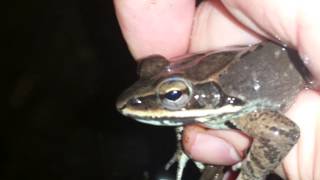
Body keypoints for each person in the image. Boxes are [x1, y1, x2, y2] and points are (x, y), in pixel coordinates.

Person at [114, 0, 320, 179]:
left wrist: (251, 174)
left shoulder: (246, 116)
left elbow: (282, 132)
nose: (137, 99)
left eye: (172, 95)